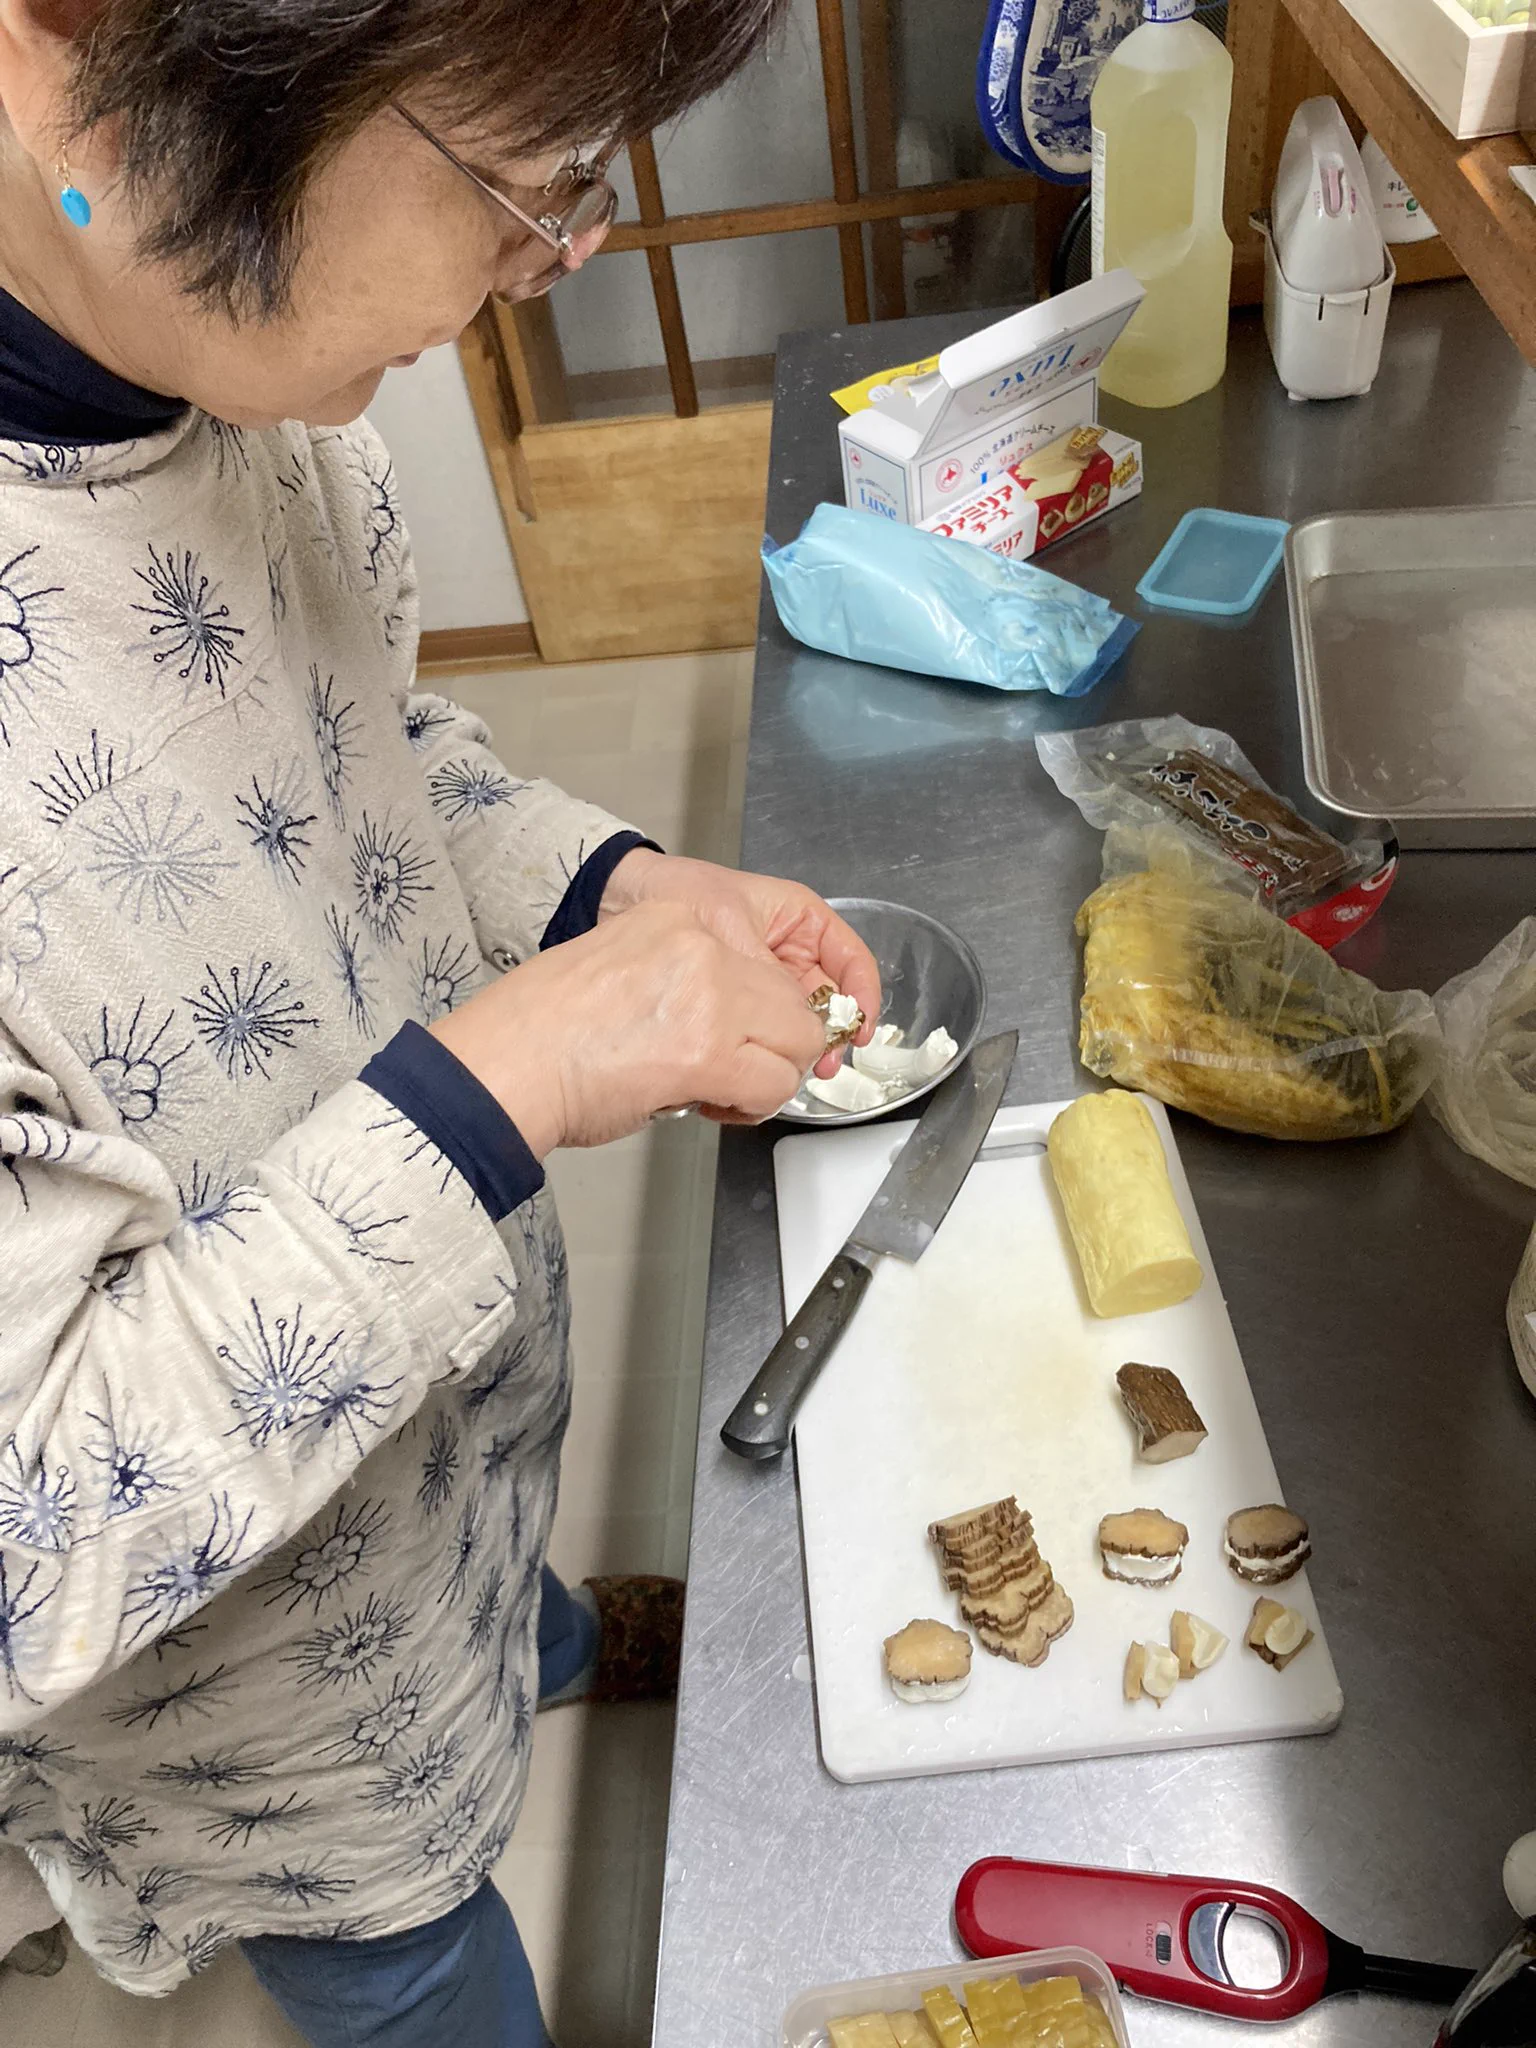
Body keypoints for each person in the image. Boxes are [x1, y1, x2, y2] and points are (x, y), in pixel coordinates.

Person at [0, 0, 882, 2039]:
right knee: (415, 1941)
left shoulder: (246, 395)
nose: (542, 263)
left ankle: (550, 1641)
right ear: (81, 66)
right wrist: (508, 1077)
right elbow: (39, 1541)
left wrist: (613, 891)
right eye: (523, 185)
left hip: (429, 1429)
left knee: (490, 1567)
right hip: (261, 1712)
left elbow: (364, 749)